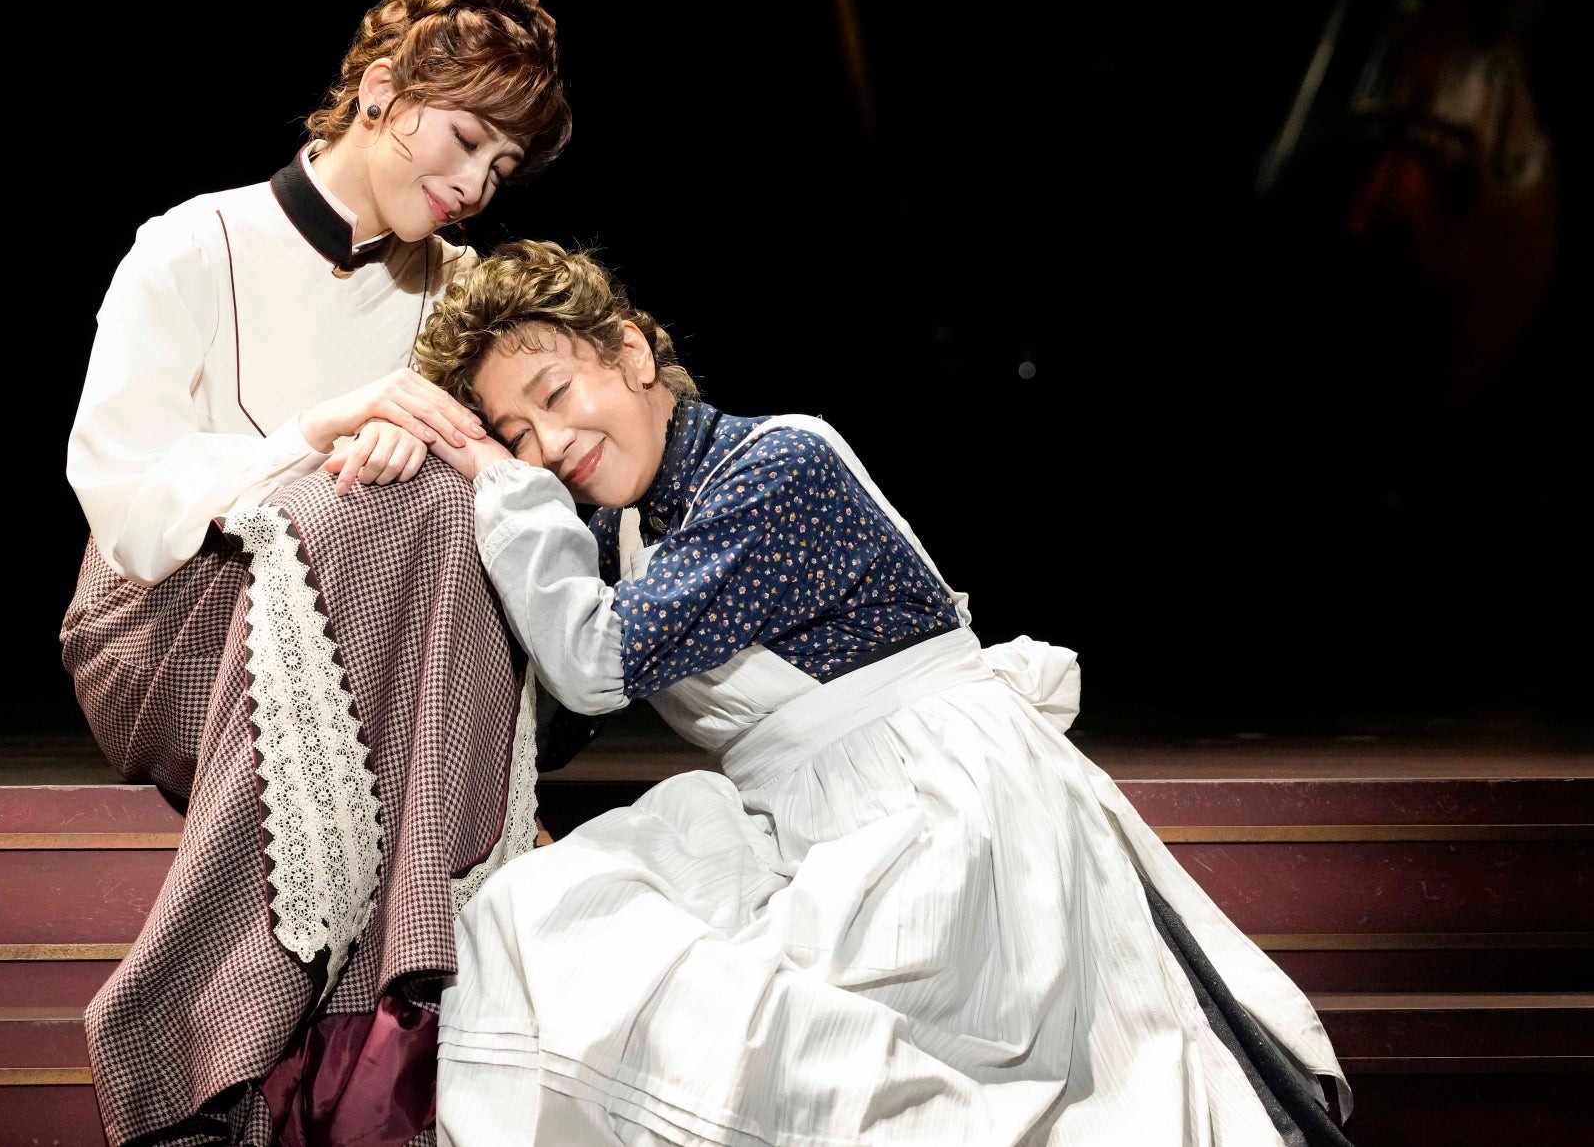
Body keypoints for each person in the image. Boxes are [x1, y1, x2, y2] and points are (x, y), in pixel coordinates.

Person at [411, 239, 1355, 1146]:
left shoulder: (776, 467)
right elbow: (559, 714)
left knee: (856, 1072)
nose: (549, 445)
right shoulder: (629, 531)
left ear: (630, 353)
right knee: (535, 912)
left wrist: (506, 488)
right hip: (800, 814)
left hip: (933, 806)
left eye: (556, 395)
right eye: (516, 436)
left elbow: (593, 663)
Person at [58, 0, 571, 1147]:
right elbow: (126, 505)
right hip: (163, 627)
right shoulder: (191, 245)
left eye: (501, 167)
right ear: (380, 92)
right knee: (375, 504)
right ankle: (394, 1019)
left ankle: (262, 1056)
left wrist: (424, 442)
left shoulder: (461, 292)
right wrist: (320, 435)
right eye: (465, 140)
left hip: (380, 637)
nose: (474, 185)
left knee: (434, 494)